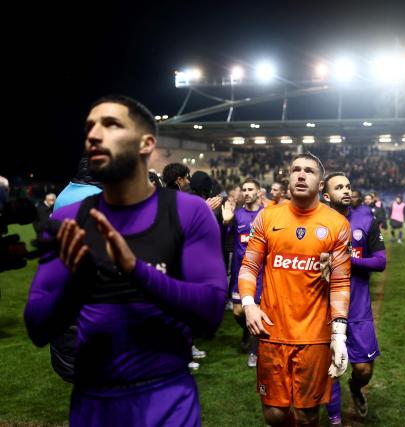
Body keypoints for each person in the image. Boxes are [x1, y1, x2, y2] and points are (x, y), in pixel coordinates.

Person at [24, 95, 227, 427]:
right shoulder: (68, 219)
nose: (94, 135)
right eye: (90, 127)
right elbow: (37, 327)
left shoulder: (189, 213)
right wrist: (77, 284)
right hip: (94, 402)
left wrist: (136, 271)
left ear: (146, 143)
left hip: (166, 398)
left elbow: (209, 315)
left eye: (111, 125)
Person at [238, 152, 351, 426]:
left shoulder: (337, 224)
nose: (301, 175)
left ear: (321, 184)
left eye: (309, 171)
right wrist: (249, 303)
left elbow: (340, 282)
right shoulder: (267, 217)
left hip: (314, 335)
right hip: (271, 330)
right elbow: (249, 265)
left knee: (307, 414)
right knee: (275, 414)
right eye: (296, 170)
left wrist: (339, 334)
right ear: (288, 178)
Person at [323, 173, 386, 425]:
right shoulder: (318, 223)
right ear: (326, 196)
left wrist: (349, 260)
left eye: (348, 186)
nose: (346, 190)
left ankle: (357, 388)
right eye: (339, 187)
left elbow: (380, 262)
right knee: (331, 369)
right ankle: (335, 418)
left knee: (363, 369)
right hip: (325, 306)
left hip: (358, 307)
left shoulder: (365, 220)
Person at [223, 178, 264, 367]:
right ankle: (248, 331)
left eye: (250, 189)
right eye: (244, 190)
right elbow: (226, 240)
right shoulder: (237, 215)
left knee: (255, 310)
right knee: (238, 312)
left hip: (260, 274)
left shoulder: (266, 215)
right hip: (239, 272)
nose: (246, 193)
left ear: (258, 192)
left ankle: (255, 352)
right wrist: (225, 222)